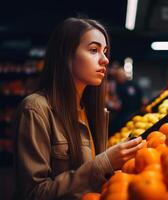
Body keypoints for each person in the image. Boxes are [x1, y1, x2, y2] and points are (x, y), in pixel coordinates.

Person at [13, 17, 145, 200]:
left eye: (105, 51)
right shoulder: (35, 110)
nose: (105, 60)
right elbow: (34, 194)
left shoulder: (93, 111)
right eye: (94, 50)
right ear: (66, 55)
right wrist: (104, 163)